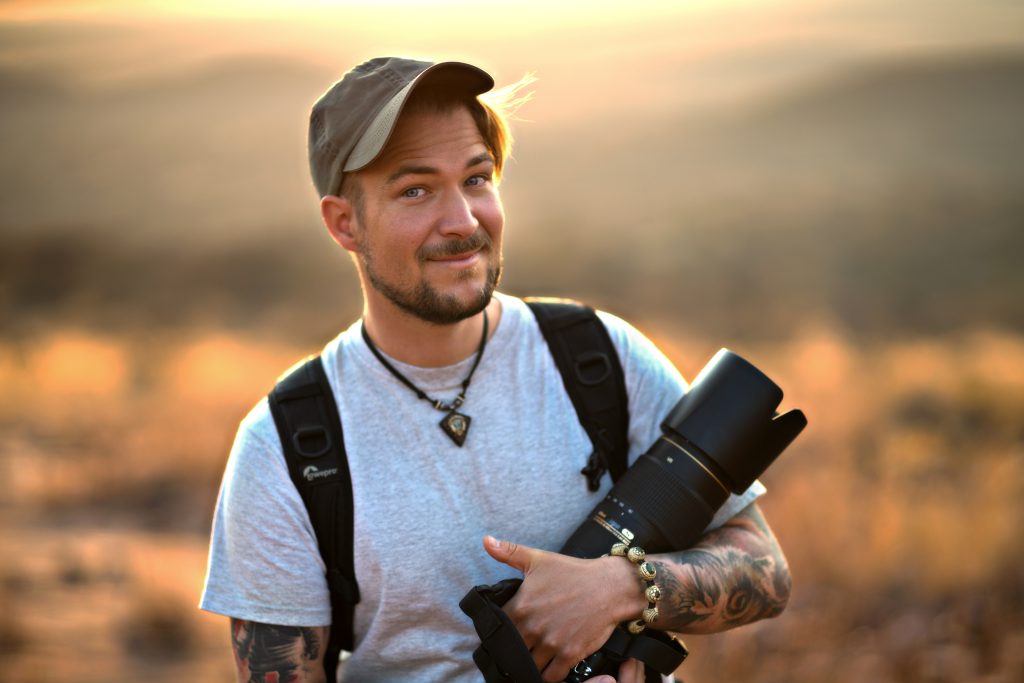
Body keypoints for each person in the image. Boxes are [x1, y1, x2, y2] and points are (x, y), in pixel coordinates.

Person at [200, 56, 792, 683]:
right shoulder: (286, 446)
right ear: (345, 223)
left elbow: (766, 571)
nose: (462, 222)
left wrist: (622, 588)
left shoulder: (598, 356)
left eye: (477, 179)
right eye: (415, 191)